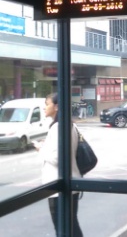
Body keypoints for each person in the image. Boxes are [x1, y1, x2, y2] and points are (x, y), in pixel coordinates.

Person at [34, 93, 83, 237]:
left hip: (59, 186)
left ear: (56, 107)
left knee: (63, 229)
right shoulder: (68, 125)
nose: (44, 107)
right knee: (71, 226)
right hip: (70, 184)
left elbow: (57, 158)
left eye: (47, 104)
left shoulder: (58, 127)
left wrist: (40, 149)